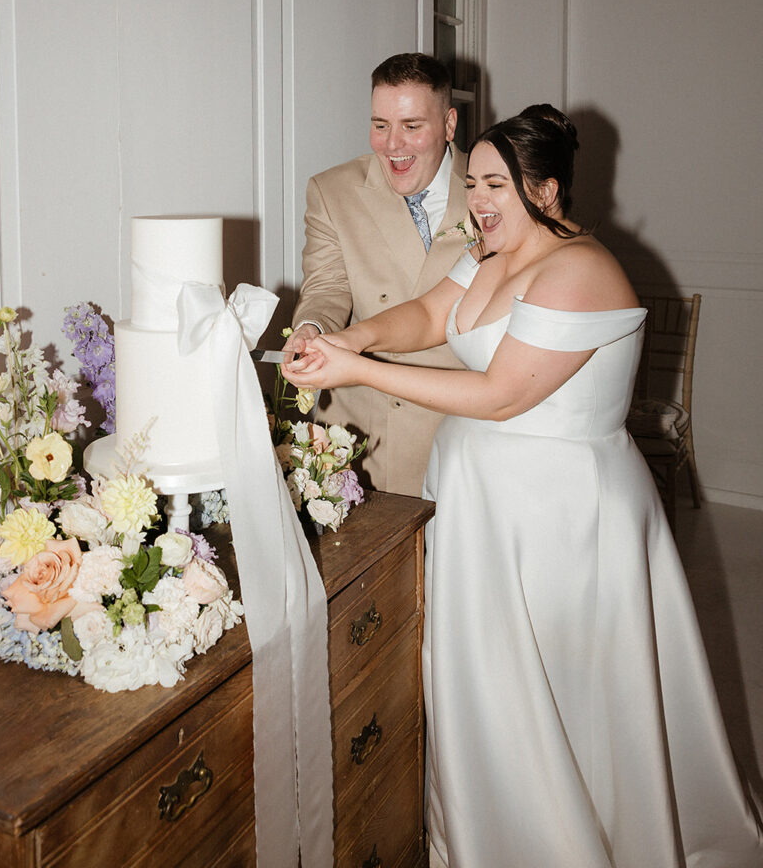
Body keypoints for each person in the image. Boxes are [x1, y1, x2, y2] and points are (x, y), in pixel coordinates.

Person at [284, 104, 763, 868]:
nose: (476, 198)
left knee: (558, 686)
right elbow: (432, 314)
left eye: (495, 184)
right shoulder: (490, 251)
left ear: (544, 191)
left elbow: (505, 395)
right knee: (487, 682)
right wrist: (351, 336)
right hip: (486, 505)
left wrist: (357, 372)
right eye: (471, 181)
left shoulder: (581, 270)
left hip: (560, 516)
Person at [285, 52, 469, 497]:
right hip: (364, 436)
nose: (392, 145)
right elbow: (327, 287)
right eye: (380, 125)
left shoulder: (496, 189)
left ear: (448, 124)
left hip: (461, 425)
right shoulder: (332, 191)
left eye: (411, 126)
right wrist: (310, 329)